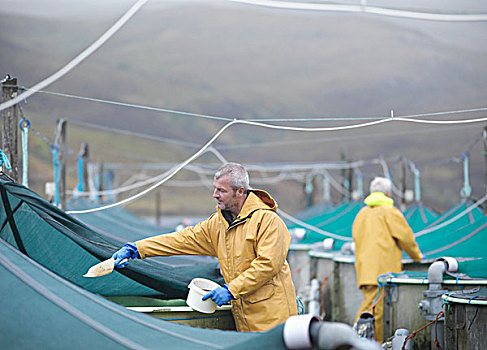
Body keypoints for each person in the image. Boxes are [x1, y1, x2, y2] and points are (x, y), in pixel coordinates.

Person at [112, 163, 298, 332]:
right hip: (244, 323)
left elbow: (267, 265)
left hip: (274, 321)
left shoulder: (268, 221)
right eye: (215, 189)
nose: (215, 195)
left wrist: (230, 290)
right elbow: (182, 239)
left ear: (240, 191)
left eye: (221, 190)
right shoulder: (218, 224)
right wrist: (138, 248)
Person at [352, 177, 423, 343]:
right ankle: (361, 343)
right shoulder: (390, 212)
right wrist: (417, 257)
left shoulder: (362, 214)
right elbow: (406, 238)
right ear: (389, 193)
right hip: (382, 272)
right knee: (375, 313)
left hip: (365, 270)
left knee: (369, 309)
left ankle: (357, 342)